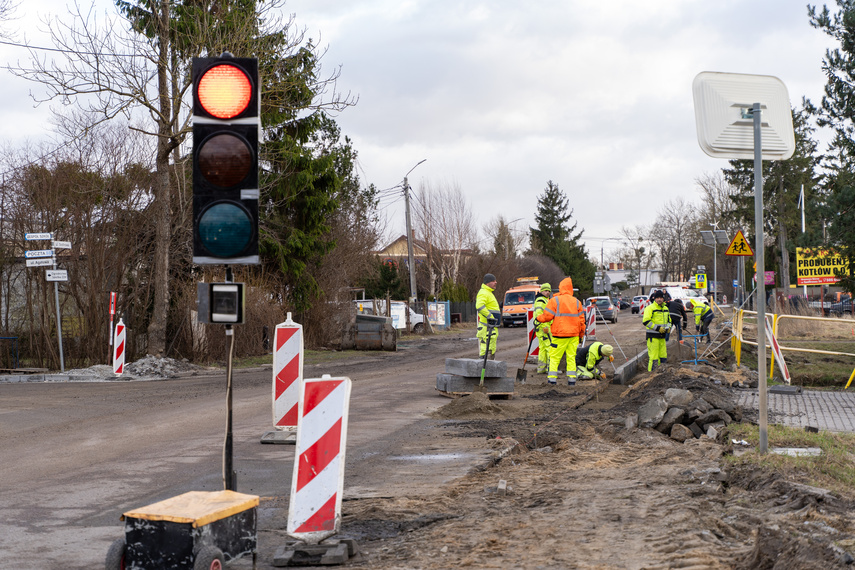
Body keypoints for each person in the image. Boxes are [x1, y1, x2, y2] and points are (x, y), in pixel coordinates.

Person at [536, 276, 586, 386]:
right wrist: (581, 335)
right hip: (573, 336)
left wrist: (538, 318)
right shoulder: (577, 302)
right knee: (571, 357)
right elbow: (582, 322)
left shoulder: (555, 301)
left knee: (554, 357)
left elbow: (547, 316)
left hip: (559, 335)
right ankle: (572, 381)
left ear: (561, 288)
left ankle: (552, 380)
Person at [642, 289, 671, 371]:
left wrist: (669, 327)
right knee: (654, 357)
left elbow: (669, 320)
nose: (659, 299)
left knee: (663, 356)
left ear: (663, 298)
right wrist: (658, 328)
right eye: (657, 298)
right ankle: (651, 375)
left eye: (661, 298)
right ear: (654, 298)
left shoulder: (665, 308)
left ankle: (662, 374)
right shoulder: (650, 308)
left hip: (662, 337)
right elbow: (646, 321)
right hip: (653, 337)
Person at [476, 273, 501, 359]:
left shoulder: (489, 293)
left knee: (490, 351)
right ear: (487, 283)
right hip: (487, 328)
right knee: (485, 352)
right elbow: (479, 306)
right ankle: (485, 370)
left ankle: (489, 369)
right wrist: (490, 317)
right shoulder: (483, 292)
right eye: (493, 281)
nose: (496, 282)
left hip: (490, 328)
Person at [532, 283, 553, 374]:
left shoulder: (543, 300)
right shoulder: (541, 300)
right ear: (542, 291)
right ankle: (550, 368)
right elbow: (539, 314)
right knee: (549, 347)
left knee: (543, 348)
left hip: (541, 327)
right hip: (544, 327)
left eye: (549, 291)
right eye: (545, 290)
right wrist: (544, 326)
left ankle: (541, 368)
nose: (547, 292)